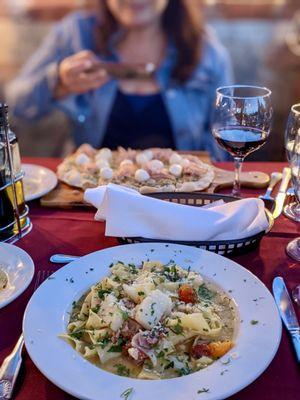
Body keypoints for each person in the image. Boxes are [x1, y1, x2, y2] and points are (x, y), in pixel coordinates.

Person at [6, 0, 233, 159]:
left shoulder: (206, 51)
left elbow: (227, 136)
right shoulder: (75, 33)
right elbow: (16, 103)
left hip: (179, 195)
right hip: (90, 195)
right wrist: (59, 82)